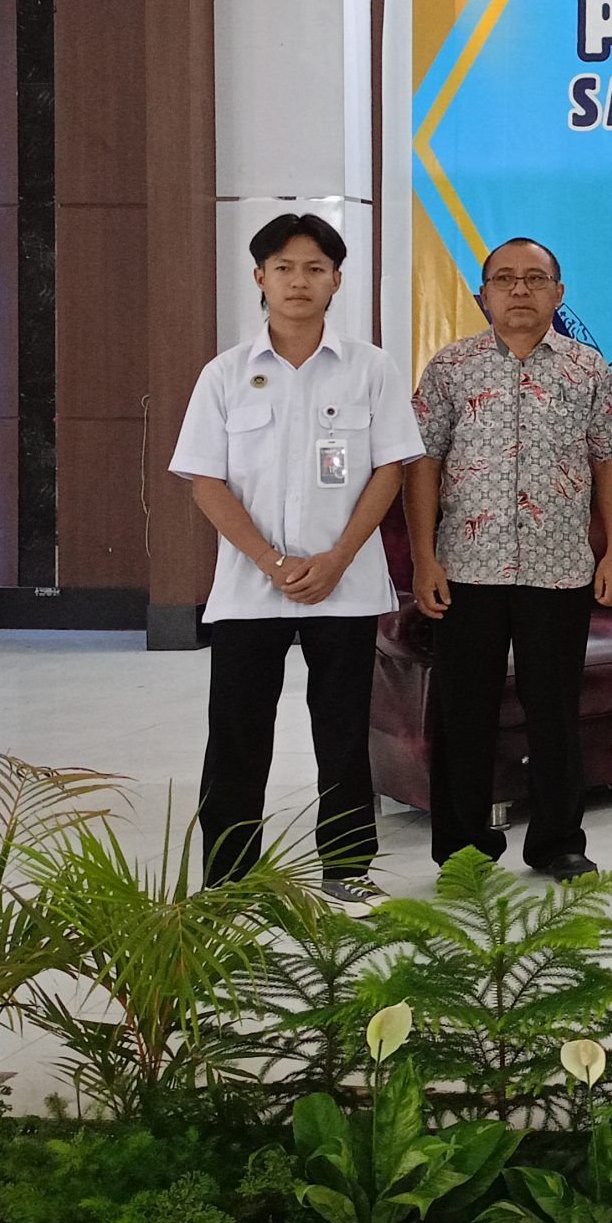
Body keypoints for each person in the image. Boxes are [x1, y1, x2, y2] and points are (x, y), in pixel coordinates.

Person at [168, 212, 423, 913]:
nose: (299, 281)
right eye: (284, 268)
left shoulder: (371, 368)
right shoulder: (225, 374)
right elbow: (205, 480)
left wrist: (337, 558)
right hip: (250, 587)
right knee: (237, 733)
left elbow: (391, 471)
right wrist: (270, 561)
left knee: (343, 732)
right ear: (260, 277)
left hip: (346, 584)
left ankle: (347, 867)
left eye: (315, 268)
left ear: (337, 280)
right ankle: (228, 878)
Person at [407, 237, 612, 879]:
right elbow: (423, 464)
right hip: (464, 569)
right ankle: (463, 849)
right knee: (463, 714)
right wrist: (423, 559)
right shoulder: (450, 368)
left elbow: (607, 462)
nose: (520, 290)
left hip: (559, 569)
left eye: (535, 278)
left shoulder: (588, 369)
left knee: (555, 711)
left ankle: (559, 842)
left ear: (560, 293)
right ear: (483, 296)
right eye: (504, 279)